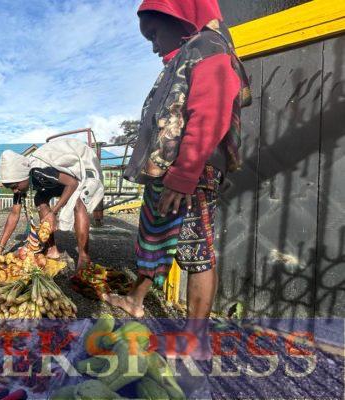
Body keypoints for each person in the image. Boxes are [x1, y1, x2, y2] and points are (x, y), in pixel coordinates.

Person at [105, 0, 250, 360]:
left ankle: (195, 339)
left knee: (194, 249)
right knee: (151, 238)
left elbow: (210, 114)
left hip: (192, 172)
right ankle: (135, 302)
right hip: (168, 171)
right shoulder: (185, 55)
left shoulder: (208, 48)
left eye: (154, 34)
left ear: (176, 16)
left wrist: (184, 175)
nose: (153, 45)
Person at [0, 138, 104, 270]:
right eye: (10, 188)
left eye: (15, 186)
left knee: (78, 203)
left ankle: (84, 256)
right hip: (62, 180)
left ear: (23, 176)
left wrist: (54, 212)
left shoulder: (40, 171)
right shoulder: (20, 181)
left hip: (82, 169)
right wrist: (0, 247)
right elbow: (14, 214)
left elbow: (73, 183)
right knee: (39, 198)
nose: (15, 190)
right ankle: (52, 249)